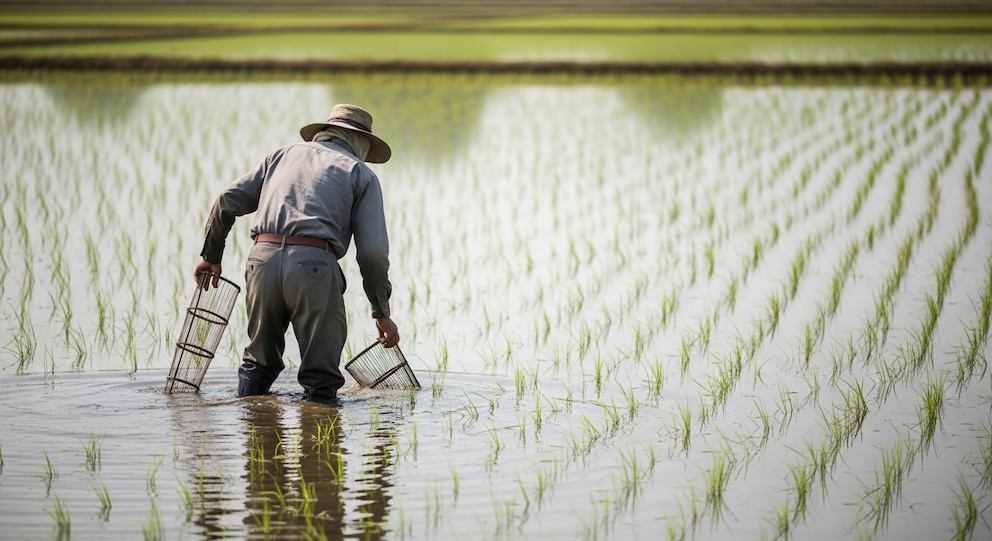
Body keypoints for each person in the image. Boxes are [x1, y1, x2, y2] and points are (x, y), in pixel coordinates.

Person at [193, 104, 399, 403]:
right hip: (313, 266)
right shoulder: (359, 173)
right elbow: (373, 255)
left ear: (326, 132)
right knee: (321, 377)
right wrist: (381, 312)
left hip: (260, 260)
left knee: (258, 363)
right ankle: (319, 443)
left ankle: (254, 429)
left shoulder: (281, 156)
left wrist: (211, 255)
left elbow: (227, 199)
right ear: (360, 141)